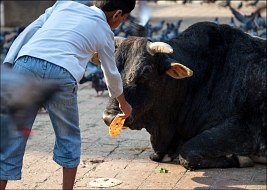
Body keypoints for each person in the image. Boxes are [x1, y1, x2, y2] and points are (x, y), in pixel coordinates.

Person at [0, 0, 135, 189]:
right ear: (118, 14)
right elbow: (110, 73)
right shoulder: (105, 31)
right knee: (68, 137)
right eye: (124, 19)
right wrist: (123, 103)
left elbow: (30, 30)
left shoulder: (63, 5)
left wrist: (8, 62)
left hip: (26, 65)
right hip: (62, 74)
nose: (120, 23)